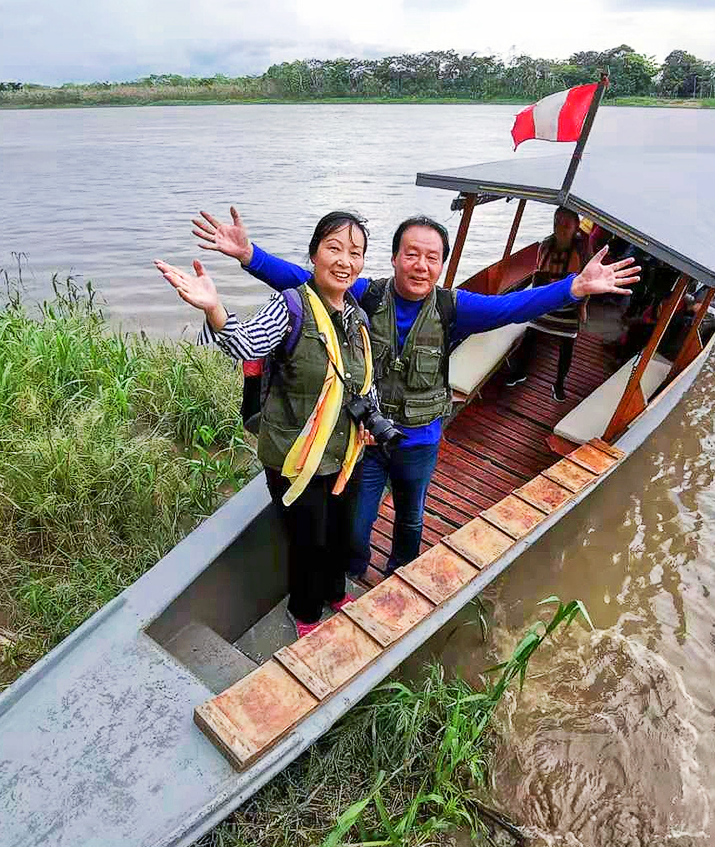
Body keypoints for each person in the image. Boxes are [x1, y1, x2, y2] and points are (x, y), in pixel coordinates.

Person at [192, 207, 640, 580]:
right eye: (412, 254)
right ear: (393, 258)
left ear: (441, 265)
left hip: (421, 440)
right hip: (365, 439)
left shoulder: (452, 307)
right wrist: (250, 256)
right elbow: (309, 279)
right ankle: (351, 573)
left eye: (432, 257)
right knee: (355, 524)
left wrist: (574, 287)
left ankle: (401, 571)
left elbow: (509, 308)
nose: (421, 265)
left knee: (410, 515)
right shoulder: (365, 295)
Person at [156, 212, 376, 638]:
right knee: (307, 542)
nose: (345, 260)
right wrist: (214, 307)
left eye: (355, 252)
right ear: (313, 254)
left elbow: (363, 382)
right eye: (334, 248)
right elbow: (247, 342)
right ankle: (306, 612)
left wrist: (371, 419)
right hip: (295, 457)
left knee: (340, 535)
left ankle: (334, 592)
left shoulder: (357, 318)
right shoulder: (291, 305)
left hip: (344, 452)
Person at [503, 205, 586, 399]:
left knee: (567, 347)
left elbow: (583, 283)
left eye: (566, 224)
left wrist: (582, 307)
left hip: (569, 307)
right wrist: (533, 303)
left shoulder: (580, 249)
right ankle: (519, 372)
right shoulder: (547, 246)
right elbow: (538, 276)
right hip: (546, 301)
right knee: (529, 338)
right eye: (557, 223)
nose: (561, 228)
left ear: (576, 227)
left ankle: (559, 384)